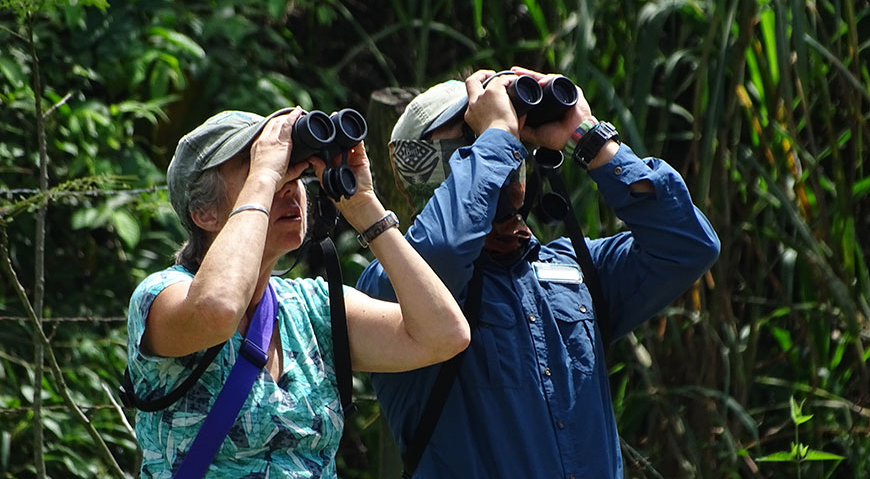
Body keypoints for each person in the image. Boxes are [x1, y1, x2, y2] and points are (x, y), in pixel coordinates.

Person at [356, 67, 721, 478]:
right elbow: (444, 248)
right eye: (471, 136)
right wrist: (496, 134)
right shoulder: (392, 286)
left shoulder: (576, 270)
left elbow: (689, 245)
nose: (506, 142)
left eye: (509, 131)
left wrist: (588, 136)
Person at [125, 106, 470, 478]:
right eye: (257, 168)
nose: (288, 184)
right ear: (204, 213)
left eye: (293, 169)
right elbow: (218, 310)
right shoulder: (160, 296)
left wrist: (366, 208)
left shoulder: (314, 309)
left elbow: (444, 335)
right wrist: (264, 175)